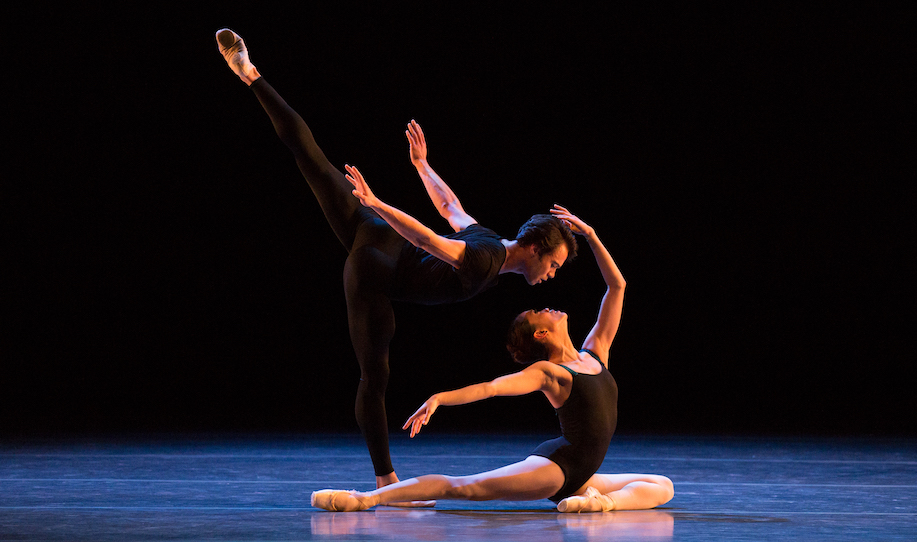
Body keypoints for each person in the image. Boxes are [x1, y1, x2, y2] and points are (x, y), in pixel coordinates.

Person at [215, 29, 578, 495]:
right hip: (376, 270)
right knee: (375, 375)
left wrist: (422, 166)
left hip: (378, 236)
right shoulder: (487, 260)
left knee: (312, 159)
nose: (552, 275)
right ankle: (386, 478)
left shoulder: (491, 240)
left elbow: (450, 208)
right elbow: (429, 239)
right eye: (554, 263)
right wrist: (378, 201)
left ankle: (250, 74)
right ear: (533, 248)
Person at [311, 207, 675, 513]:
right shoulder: (549, 373)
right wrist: (441, 398)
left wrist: (591, 235)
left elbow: (617, 286)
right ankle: (364, 498)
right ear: (541, 335)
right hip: (557, 468)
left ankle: (599, 504)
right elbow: (492, 388)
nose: (546, 303)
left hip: (584, 474)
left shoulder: (595, 352)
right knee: (463, 488)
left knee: (663, 485)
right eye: (538, 312)